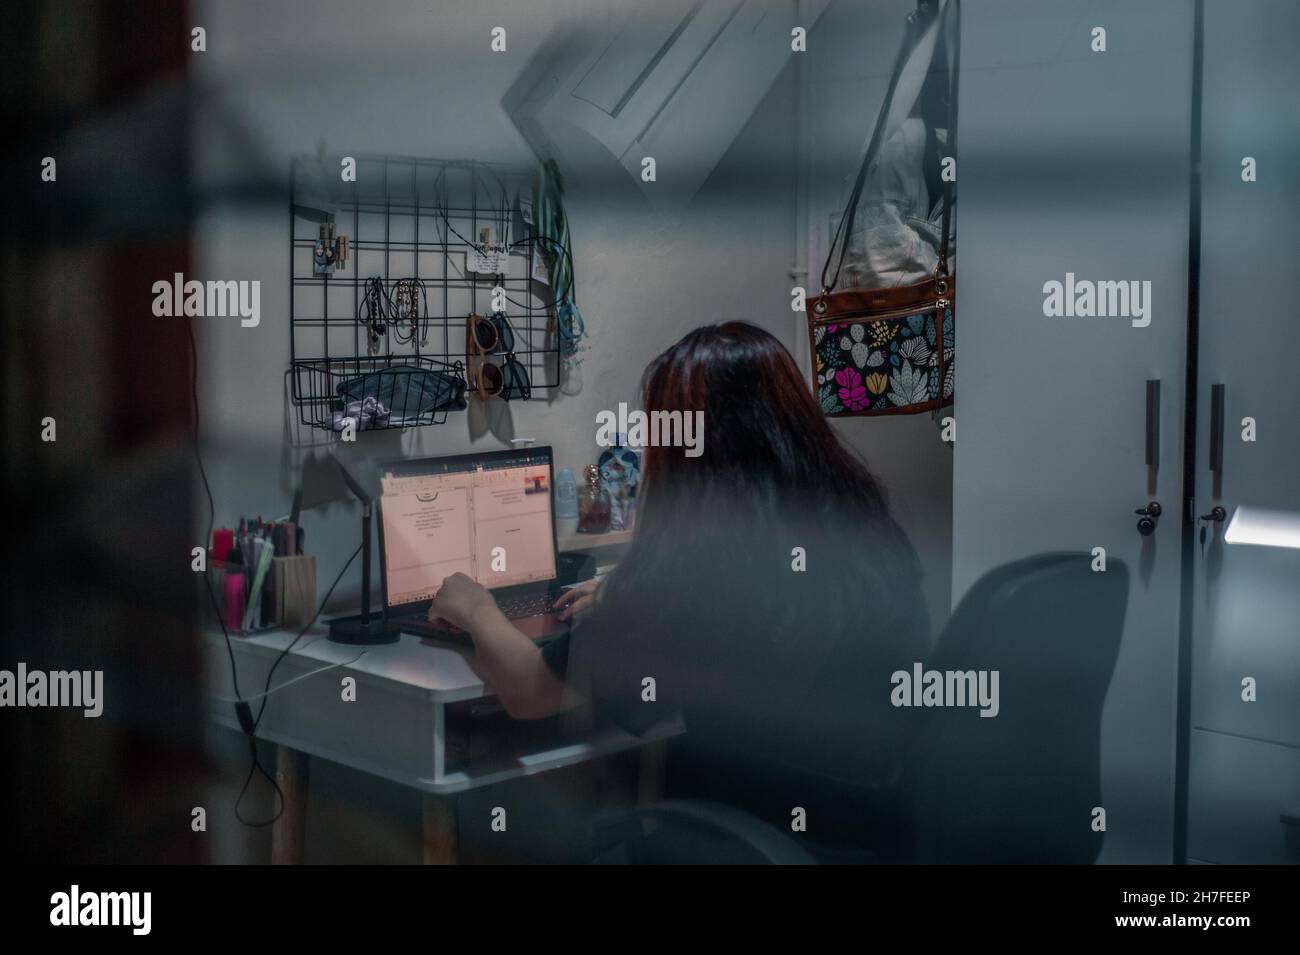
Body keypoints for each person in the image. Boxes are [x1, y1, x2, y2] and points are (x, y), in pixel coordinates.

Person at [428, 322, 930, 857]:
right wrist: (626, 597)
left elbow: (529, 693)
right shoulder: (865, 523)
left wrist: (478, 607)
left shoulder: (691, 575)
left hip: (752, 842)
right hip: (870, 838)